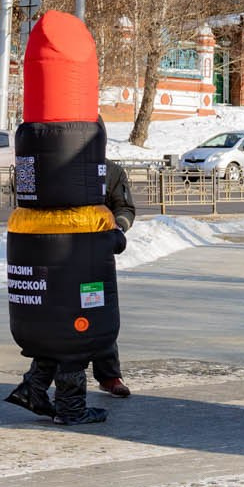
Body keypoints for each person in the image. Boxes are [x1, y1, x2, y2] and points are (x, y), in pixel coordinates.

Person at [92, 162, 136, 398]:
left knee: (101, 314)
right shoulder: (57, 162)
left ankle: (109, 375)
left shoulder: (111, 171)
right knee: (59, 318)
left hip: (96, 258)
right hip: (59, 255)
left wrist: (117, 228)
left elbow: (126, 208)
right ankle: (51, 377)